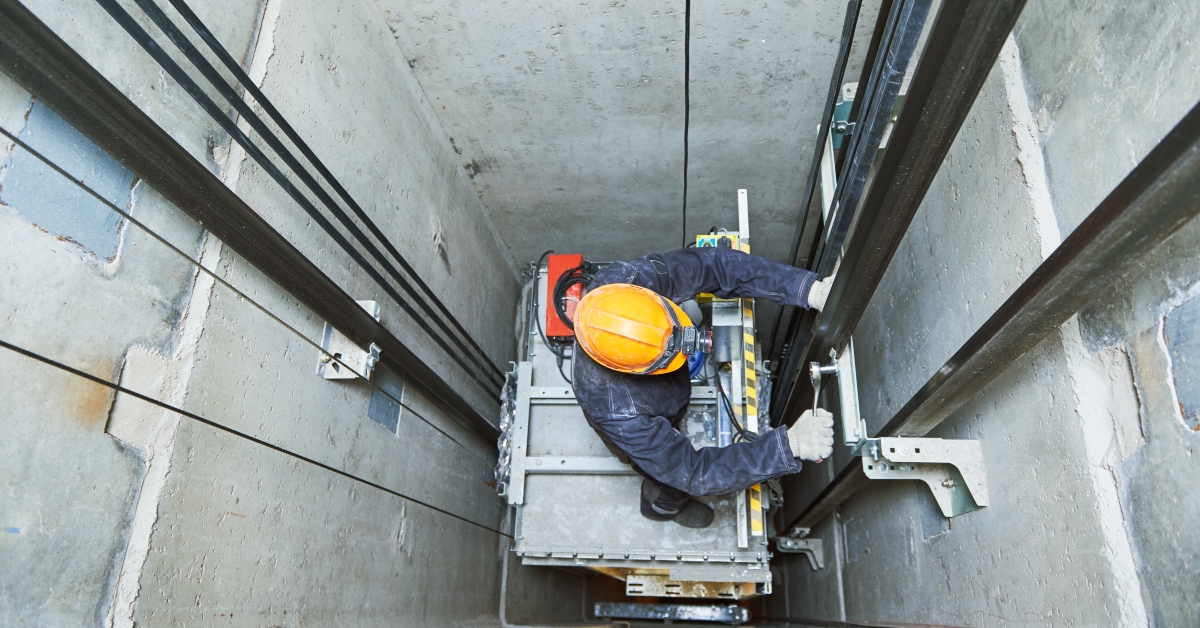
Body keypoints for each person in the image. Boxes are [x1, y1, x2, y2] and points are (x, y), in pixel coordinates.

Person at [570, 246, 836, 528]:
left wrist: (809, 289)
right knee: (666, 478)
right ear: (638, 370)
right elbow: (692, 472)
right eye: (668, 358)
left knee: (670, 426)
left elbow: (715, 264)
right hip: (647, 409)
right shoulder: (619, 413)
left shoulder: (626, 284)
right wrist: (789, 446)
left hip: (665, 393)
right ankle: (661, 509)